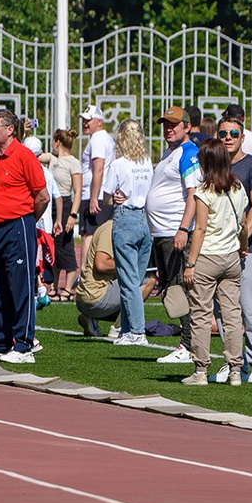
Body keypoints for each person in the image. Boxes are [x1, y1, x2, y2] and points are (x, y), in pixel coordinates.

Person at [0, 104, 50, 364]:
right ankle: (2, 341)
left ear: (10, 129)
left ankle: (25, 344)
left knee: (20, 286)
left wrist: (26, 221)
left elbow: (42, 196)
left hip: (17, 225)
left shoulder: (24, 156)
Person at [176, 141, 252, 386]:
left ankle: (200, 370)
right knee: (232, 316)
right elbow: (244, 224)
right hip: (231, 257)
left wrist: (190, 263)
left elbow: (199, 229)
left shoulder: (204, 191)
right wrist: (244, 247)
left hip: (208, 257)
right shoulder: (238, 186)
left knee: (200, 314)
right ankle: (234, 370)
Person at [214, 113, 252, 383]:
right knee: (225, 310)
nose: (228, 138)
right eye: (223, 134)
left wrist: (241, 240)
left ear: (243, 137)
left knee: (251, 307)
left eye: (233, 134)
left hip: (246, 249)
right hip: (217, 249)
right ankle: (233, 363)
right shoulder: (214, 167)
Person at [142, 106, 204, 360]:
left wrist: (182, 228)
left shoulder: (189, 153)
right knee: (172, 289)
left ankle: (188, 345)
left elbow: (193, 194)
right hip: (162, 232)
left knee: (181, 288)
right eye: (165, 124)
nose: (168, 128)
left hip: (173, 232)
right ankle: (186, 342)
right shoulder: (172, 153)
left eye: (174, 124)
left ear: (187, 127)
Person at [102, 119, 157, 344]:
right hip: (144, 219)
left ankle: (136, 331)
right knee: (136, 278)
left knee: (128, 280)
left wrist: (112, 198)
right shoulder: (146, 162)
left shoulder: (119, 164)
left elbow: (106, 197)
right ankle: (127, 329)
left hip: (126, 218)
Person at [46, 130, 84, 300]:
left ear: (57, 142)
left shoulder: (73, 163)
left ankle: (68, 289)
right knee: (52, 246)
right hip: (51, 204)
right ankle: (53, 286)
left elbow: (77, 192)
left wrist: (72, 215)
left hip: (66, 204)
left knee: (65, 245)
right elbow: (31, 154)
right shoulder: (53, 159)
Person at [82, 105, 114, 237]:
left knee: (89, 235)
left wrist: (93, 198)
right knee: (101, 237)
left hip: (95, 196)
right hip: (102, 196)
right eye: (83, 120)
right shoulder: (104, 138)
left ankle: (86, 259)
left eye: (88, 120)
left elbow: (98, 169)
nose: (85, 123)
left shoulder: (98, 139)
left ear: (99, 122)